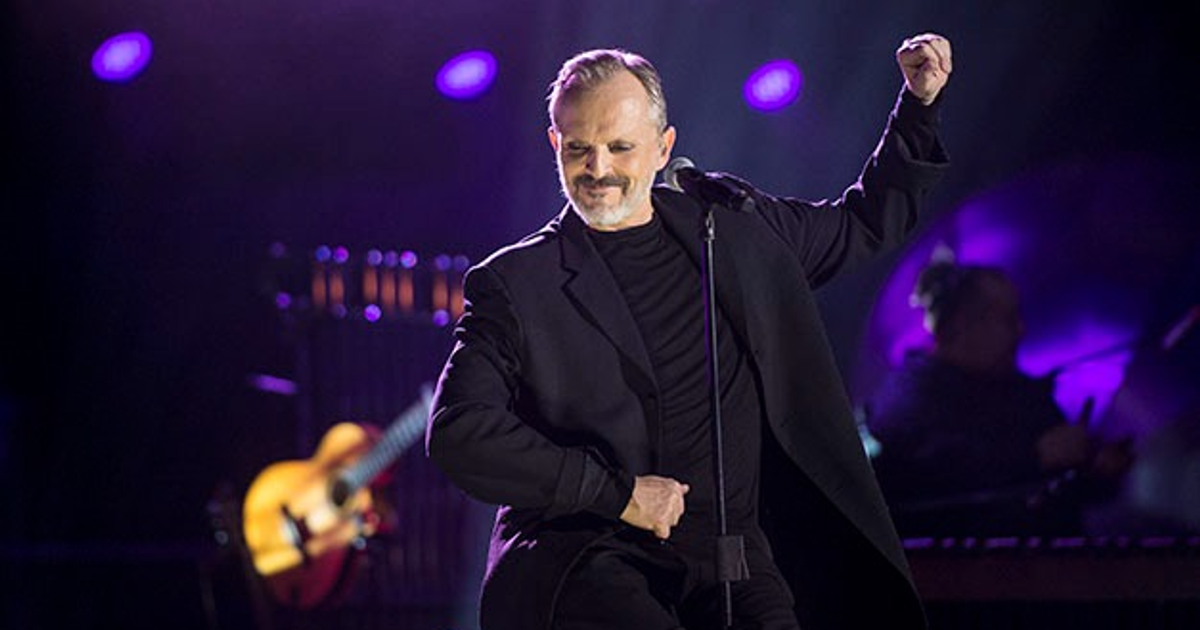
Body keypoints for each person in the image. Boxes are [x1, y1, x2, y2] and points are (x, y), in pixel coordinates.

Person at [427, 33, 952, 630]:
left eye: (620, 148)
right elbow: (459, 433)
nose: (598, 170)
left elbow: (863, 222)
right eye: (579, 149)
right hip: (592, 560)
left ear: (662, 148)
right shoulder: (517, 284)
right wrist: (618, 494)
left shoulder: (730, 232)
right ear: (555, 142)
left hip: (733, 558)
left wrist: (918, 104)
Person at [866, 255, 1133, 536]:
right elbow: (934, 472)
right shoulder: (912, 396)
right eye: (1007, 319)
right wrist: (1035, 456)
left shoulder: (1021, 393)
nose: (1020, 331)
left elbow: (1064, 485)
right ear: (961, 325)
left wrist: (1096, 468)